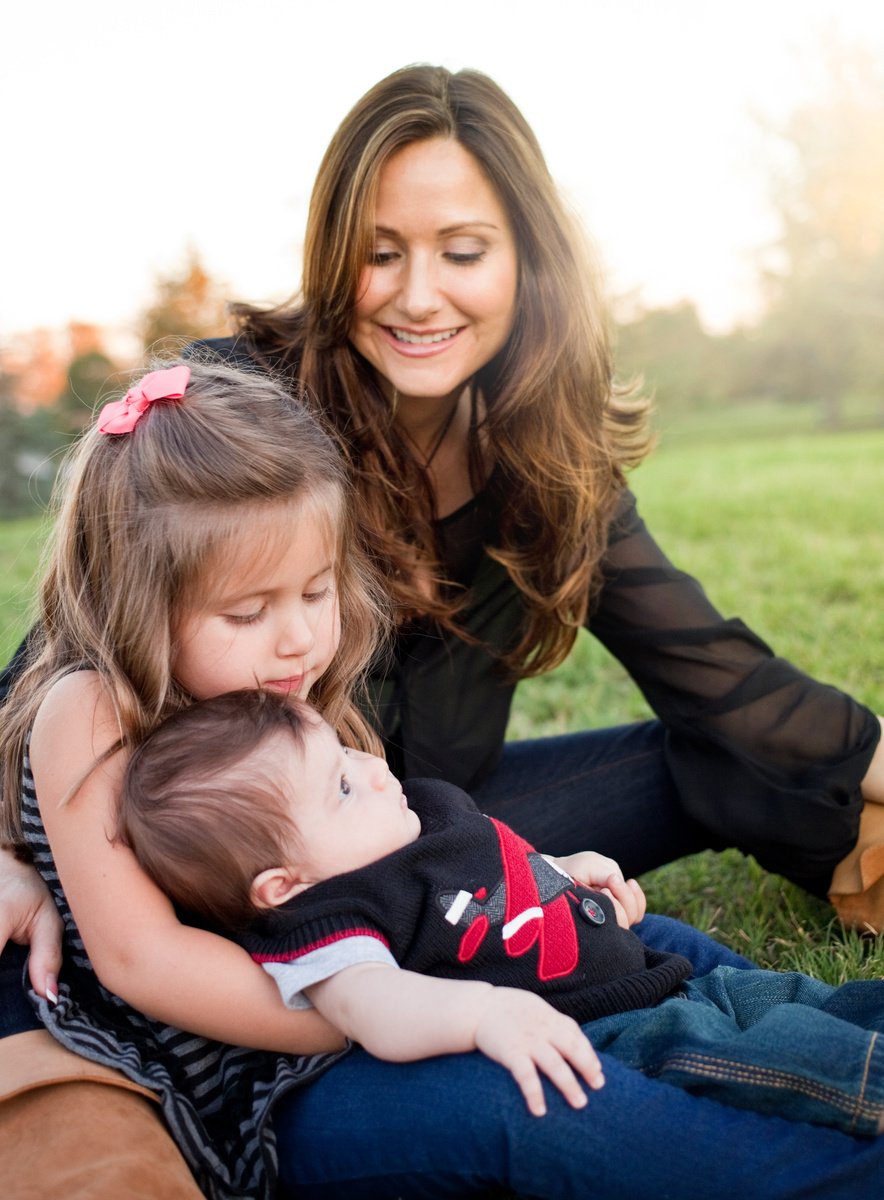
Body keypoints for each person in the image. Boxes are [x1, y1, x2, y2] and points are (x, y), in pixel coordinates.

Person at [3, 62, 884, 1198]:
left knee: (695, 919)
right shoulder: (229, 435)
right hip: (305, 945)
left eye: (462, 251)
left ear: (526, 261)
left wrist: (521, 896)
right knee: (558, 1103)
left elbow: (708, 670)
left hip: (415, 841)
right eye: (380, 252)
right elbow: (67, 689)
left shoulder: (516, 461)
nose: (417, 294)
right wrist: (401, 1003)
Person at [121, 688, 884, 1139]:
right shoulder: (331, 922)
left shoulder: (417, 817)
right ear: (284, 885)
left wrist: (569, 871)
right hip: (616, 1036)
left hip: (663, 982)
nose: (372, 767)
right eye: (342, 788)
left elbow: (505, 872)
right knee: (797, 1058)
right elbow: (379, 1010)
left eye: (347, 753)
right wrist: (484, 1015)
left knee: (804, 1001)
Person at [0, 359, 388, 1198]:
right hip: (240, 1077)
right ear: (139, 602)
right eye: (247, 613)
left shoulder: (281, 698)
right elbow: (144, 961)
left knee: (664, 974)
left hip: (361, 1005)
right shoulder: (94, 713)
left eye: (317, 592)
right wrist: (370, 1014)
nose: (298, 640)